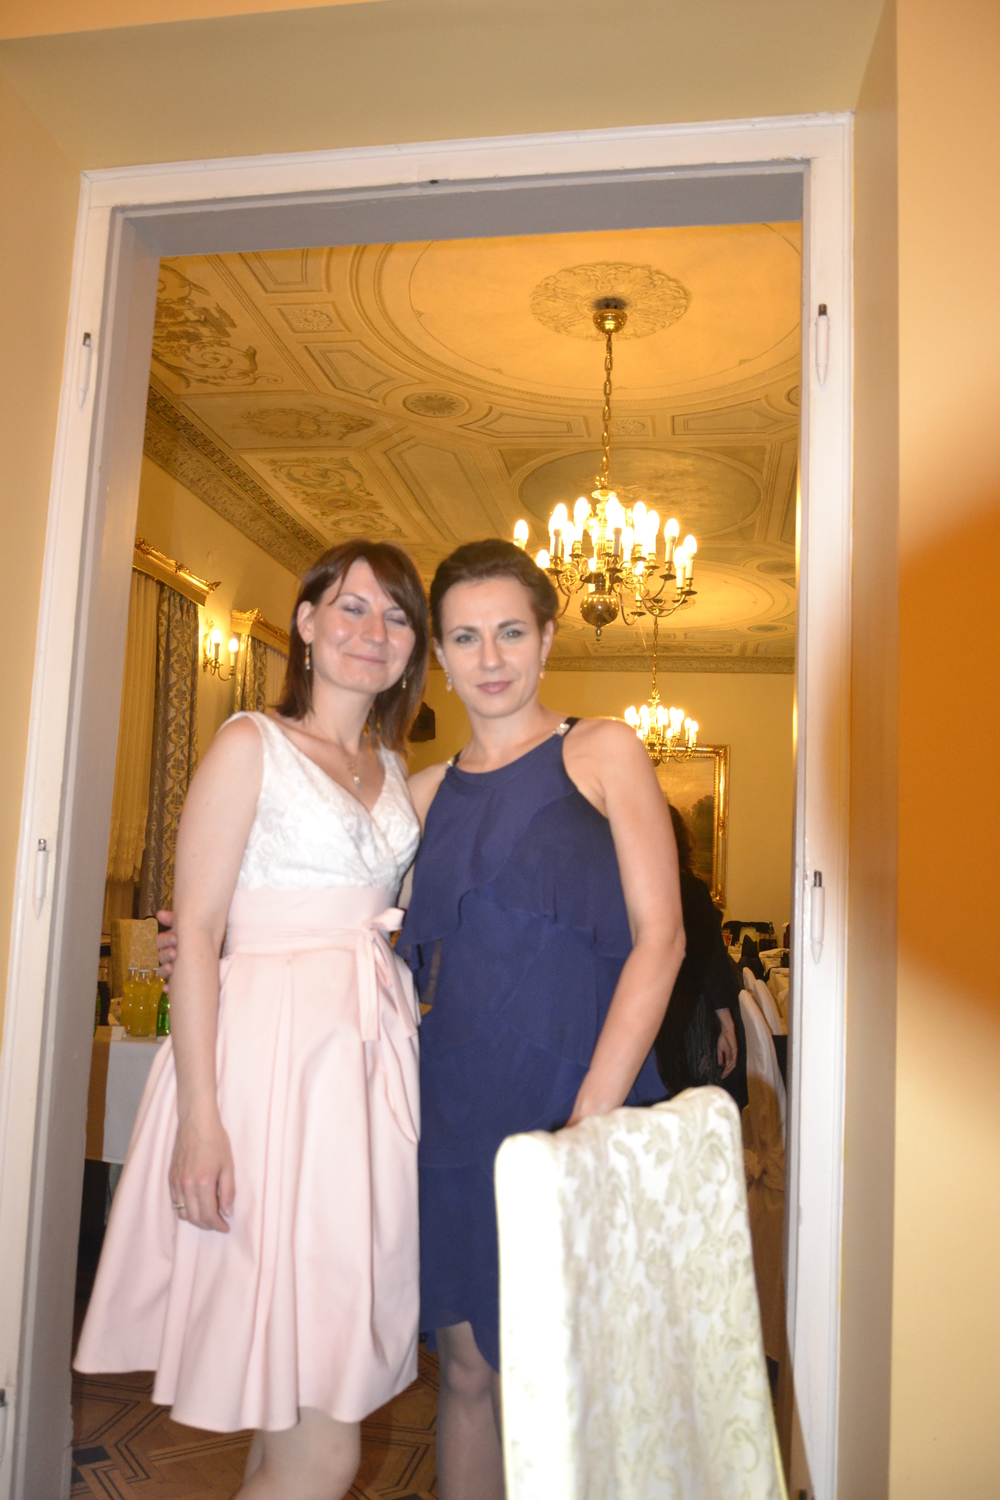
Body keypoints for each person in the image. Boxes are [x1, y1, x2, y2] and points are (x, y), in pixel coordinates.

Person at [76, 540, 430, 1500]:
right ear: (306, 624)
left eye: (398, 616)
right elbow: (193, 929)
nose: (375, 631)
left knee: (294, 1399)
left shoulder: (393, 767)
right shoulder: (250, 743)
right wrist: (201, 1119)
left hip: (362, 1071)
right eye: (352, 607)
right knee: (328, 1448)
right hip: (267, 1072)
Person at [400, 539, 687, 1500]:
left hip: (579, 1103)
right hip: (455, 1113)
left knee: (577, 1383)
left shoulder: (600, 750)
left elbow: (662, 940)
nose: (490, 658)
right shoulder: (423, 795)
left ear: (548, 637)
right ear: (439, 655)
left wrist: (588, 1119)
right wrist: (207, 940)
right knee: (468, 1375)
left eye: (510, 632)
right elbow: (339, 922)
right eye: (465, 637)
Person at [653, 804, 748, 1112]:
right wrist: (727, 1024)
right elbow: (712, 960)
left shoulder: (617, 889)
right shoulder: (690, 890)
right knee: (691, 1108)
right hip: (688, 1017)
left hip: (642, 1014)